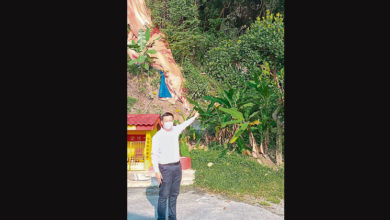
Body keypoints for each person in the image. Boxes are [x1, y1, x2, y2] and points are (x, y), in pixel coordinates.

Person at [151, 111, 199, 220]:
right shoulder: (157, 137)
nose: (168, 122)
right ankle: (161, 218)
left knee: (174, 195)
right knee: (163, 196)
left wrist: (194, 117)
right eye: (166, 121)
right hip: (165, 168)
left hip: (177, 167)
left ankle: (173, 217)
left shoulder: (175, 130)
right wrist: (157, 171)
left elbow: (185, 124)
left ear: (173, 121)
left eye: (170, 120)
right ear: (162, 122)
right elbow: (154, 155)